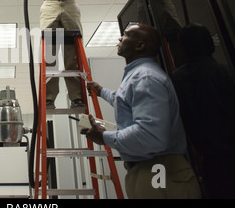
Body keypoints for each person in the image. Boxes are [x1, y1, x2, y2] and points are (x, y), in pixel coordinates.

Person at [83, 23, 201, 199]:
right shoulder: (139, 75)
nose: (120, 38)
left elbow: (150, 135)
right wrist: (101, 92)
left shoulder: (145, 77)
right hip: (150, 170)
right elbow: (125, 101)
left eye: (125, 35)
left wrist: (104, 137)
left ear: (140, 45)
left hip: (158, 172)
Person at [171, 23, 235, 198]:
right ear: (211, 44)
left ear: (182, 48)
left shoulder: (177, 79)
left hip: (209, 160)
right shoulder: (226, 72)